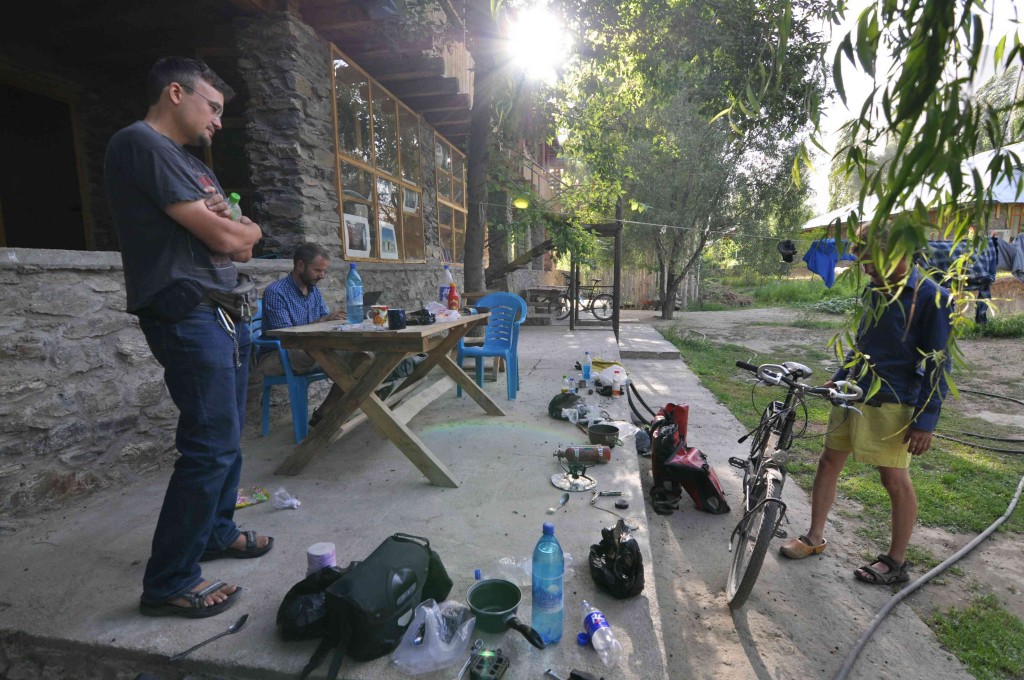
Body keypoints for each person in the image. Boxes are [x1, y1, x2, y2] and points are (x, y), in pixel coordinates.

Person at [105, 57, 272, 618]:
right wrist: (239, 231)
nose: (219, 122)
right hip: (188, 313)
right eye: (214, 108)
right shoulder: (141, 145)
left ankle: (216, 532)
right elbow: (230, 235)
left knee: (226, 439)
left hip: (223, 312)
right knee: (207, 446)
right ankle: (170, 581)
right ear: (176, 93)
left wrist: (240, 232)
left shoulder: (191, 165)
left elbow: (241, 245)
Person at [779, 226, 953, 586]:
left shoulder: (932, 298)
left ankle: (896, 561)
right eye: (863, 262)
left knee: (893, 478)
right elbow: (863, 342)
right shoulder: (875, 290)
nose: (866, 270)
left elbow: (939, 364)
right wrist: (840, 375)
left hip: (894, 400)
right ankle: (814, 538)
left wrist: (925, 421)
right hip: (853, 393)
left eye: (872, 262)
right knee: (829, 461)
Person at [258, 242, 348, 426]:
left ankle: (324, 413)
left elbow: (325, 320)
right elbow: (284, 334)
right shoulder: (276, 292)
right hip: (278, 354)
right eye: (317, 270)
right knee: (332, 357)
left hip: (309, 351)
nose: (322, 276)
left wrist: (336, 321)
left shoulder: (314, 292)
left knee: (358, 358)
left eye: (324, 271)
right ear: (300, 265)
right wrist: (322, 321)